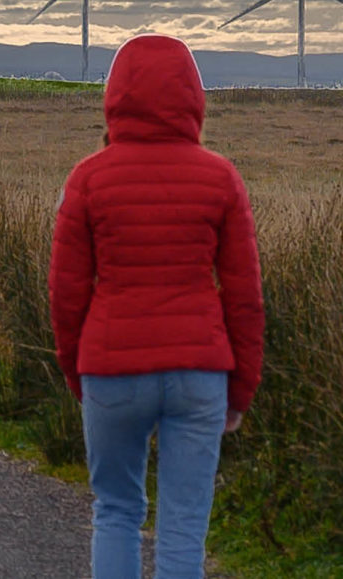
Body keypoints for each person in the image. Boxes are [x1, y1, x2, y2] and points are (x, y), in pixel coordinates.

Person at [50, 34, 264, 579]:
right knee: (183, 529)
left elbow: (67, 294)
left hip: (111, 367)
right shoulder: (222, 178)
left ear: (115, 96)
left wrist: (79, 373)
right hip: (199, 373)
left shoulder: (87, 179)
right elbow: (244, 299)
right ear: (194, 97)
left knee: (117, 512)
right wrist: (240, 390)